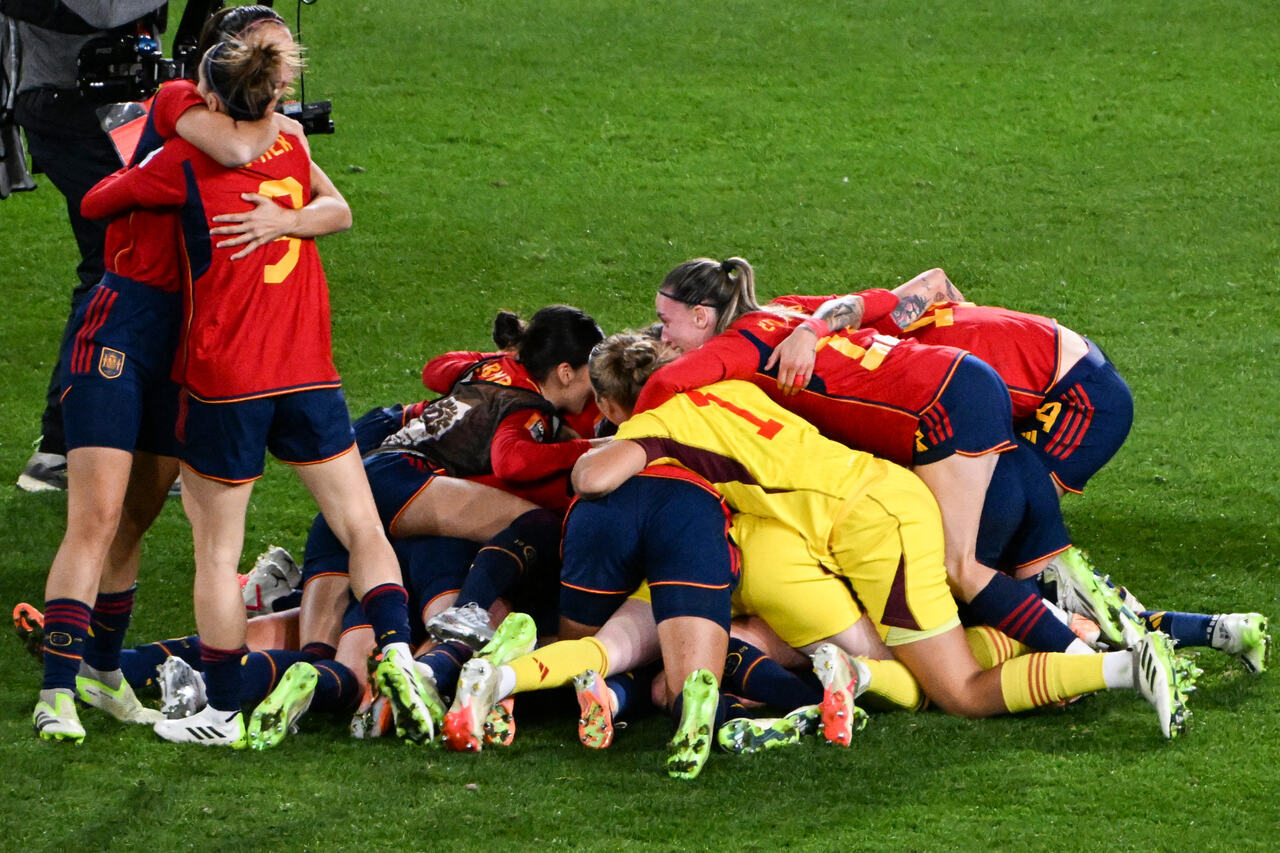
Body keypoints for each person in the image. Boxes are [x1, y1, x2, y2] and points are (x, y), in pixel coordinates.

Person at [573, 333, 1198, 740]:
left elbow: (594, 477)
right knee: (915, 655)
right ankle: (1088, 647)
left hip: (870, 531)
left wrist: (615, 444)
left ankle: (1119, 669)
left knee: (959, 693)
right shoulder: (733, 389)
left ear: (610, 402)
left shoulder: (653, 423)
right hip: (884, 500)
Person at [77, 37, 433, 748]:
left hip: (227, 378)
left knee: (216, 553)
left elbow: (99, 201)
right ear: (273, 95)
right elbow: (339, 209)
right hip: (308, 369)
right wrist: (288, 219)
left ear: (209, 95)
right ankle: (397, 651)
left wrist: (163, 131)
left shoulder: (183, 159)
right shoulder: (295, 148)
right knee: (361, 525)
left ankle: (224, 707)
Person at [28, 8, 337, 744]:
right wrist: (152, 189)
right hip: (120, 338)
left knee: (135, 517)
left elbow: (327, 205)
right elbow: (104, 200)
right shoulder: (185, 120)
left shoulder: (261, 142)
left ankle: (102, 671)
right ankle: (55, 692)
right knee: (96, 517)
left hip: (187, 356)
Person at [637, 258, 1103, 656]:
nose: (663, 334)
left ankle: (1080, 656)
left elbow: (662, 385)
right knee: (970, 556)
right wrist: (814, 326)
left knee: (953, 567)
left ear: (702, 317)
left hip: (943, 407)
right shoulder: (788, 309)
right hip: (963, 382)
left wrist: (622, 439)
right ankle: (1081, 618)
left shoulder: (735, 346)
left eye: (666, 321)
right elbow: (879, 300)